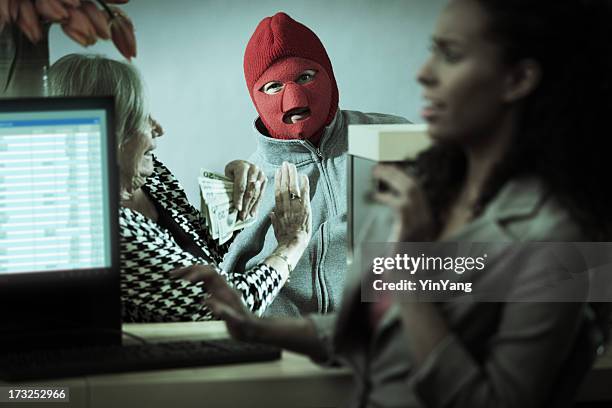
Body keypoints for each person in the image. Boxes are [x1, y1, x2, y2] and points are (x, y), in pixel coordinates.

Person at [200, 0, 612, 406]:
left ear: (518, 79)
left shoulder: (554, 232)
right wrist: (261, 329)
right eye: (433, 51)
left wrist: (407, 269)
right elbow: (380, 328)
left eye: (450, 54)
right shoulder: (408, 184)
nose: (423, 73)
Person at [49, 54, 312, 322]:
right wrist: (290, 246)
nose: (158, 128)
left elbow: (207, 256)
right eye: (141, 117)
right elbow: (228, 305)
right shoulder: (101, 228)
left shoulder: (153, 176)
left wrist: (231, 207)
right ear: (107, 132)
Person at [222, 12, 409, 317]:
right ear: (256, 98)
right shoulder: (242, 188)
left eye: (306, 77)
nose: (294, 98)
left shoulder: (395, 139)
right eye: (273, 87)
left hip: (383, 343)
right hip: (285, 351)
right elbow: (226, 297)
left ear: (330, 78)